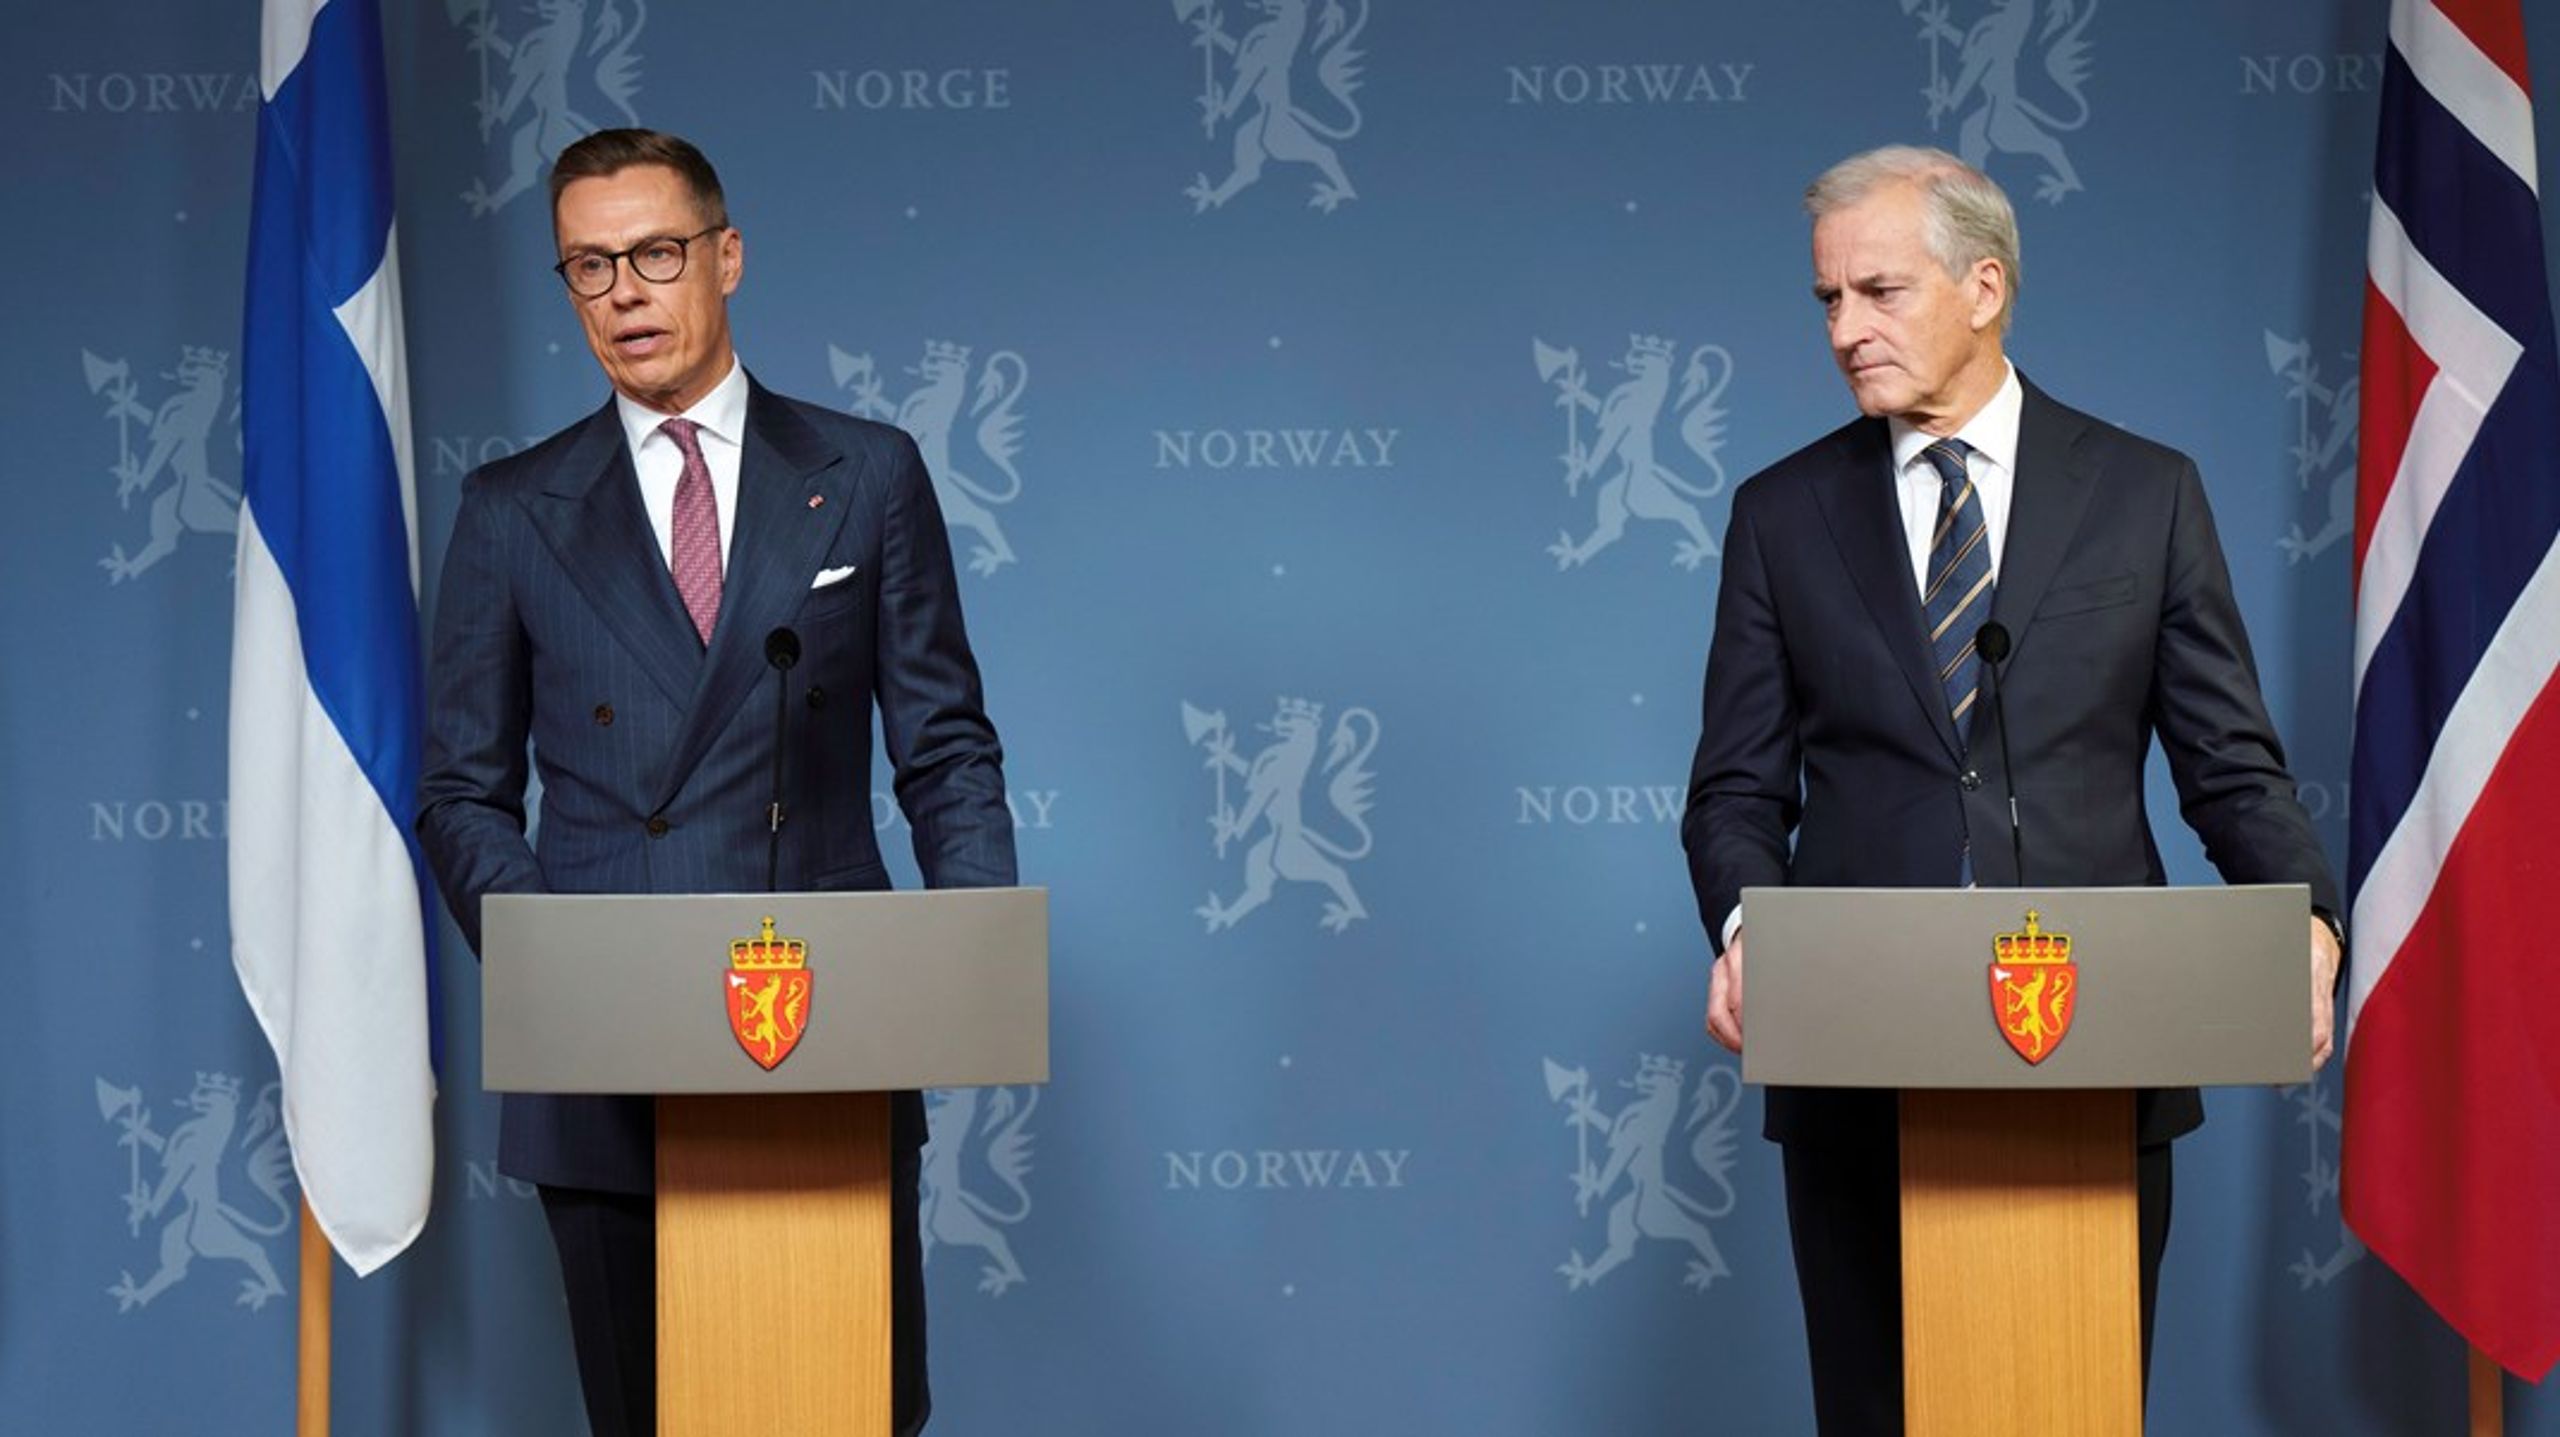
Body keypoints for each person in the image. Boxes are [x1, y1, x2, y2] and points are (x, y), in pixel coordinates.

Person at [1679, 145, 2343, 1437]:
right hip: (1856, 1069)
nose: (1845, 330)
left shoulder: (2146, 495)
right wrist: (1753, 931)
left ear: (1985, 286)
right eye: (1827, 301)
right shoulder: (1781, 514)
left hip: (2096, 1062)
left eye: (1878, 291)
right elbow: (1734, 792)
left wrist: (2305, 919)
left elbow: (2229, 764)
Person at [417, 127, 1015, 1437]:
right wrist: (556, 962)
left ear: (725, 256)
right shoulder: (511, 508)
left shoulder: (865, 474)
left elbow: (946, 745)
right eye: (589, 267)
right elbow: (458, 792)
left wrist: (966, 954)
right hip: (604, 1066)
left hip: (824, 1043)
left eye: (654, 253)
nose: (625, 291)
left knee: (852, 1412)